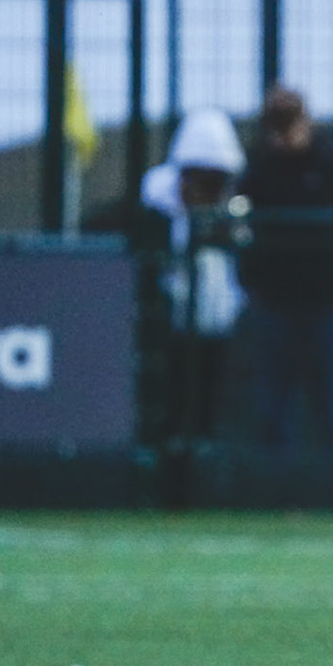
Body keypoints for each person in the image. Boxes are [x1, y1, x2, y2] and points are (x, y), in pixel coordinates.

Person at [237, 85, 333, 449]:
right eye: (276, 126)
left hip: (329, 303)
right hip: (275, 303)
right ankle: (275, 479)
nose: (284, 135)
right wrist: (252, 284)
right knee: (273, 407)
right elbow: (244, 230)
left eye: (290, 124)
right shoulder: (259, 171)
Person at [140, 107, 248, 443]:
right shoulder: (160, 199)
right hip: (168, 316)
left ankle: (204, 441)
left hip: (215, 317)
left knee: (210, 387)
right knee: (168, 387)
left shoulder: (233, 206)